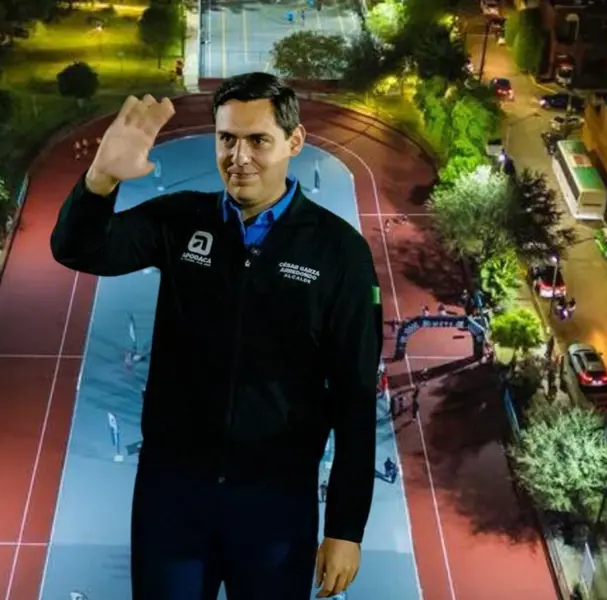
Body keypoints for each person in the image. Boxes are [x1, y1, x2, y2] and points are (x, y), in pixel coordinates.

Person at [50, 73, 381, 600]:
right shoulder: (180, 222)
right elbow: (78, 250)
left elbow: (356, 397)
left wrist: (346, 527)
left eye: (258, 140)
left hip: (275, 504)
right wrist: (100, 180)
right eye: (227, 139)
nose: (239, 156)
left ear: (294, 143)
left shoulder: (339, 254)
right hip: (173, 495)